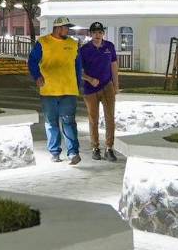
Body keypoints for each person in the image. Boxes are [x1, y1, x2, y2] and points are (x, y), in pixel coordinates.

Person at [28, 16, 83, 165]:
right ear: (58, 28)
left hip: (68, 90)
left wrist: (78, 84)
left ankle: (73, 152)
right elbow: (32, 61)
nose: (68, 30)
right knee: (51, 123)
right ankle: (55, 152)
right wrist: (37, 76)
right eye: (66, 27)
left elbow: (78, 66)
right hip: (49, 91)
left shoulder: (73, 44)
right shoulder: (43, 43)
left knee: (69, 121)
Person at [79, 21, 119, 161]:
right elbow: (78, 70)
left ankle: (109, 148)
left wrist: (116, 85)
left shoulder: (109, 47)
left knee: (110, 118)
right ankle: (95, 147)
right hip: (90, 88)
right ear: (90, 34)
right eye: (95, 32)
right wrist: (90, 79)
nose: (97, 35)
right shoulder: (84, 50)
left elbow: (113, 65)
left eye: (100, 32)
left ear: (103, 33)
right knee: (93, 119)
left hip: (107, 86)